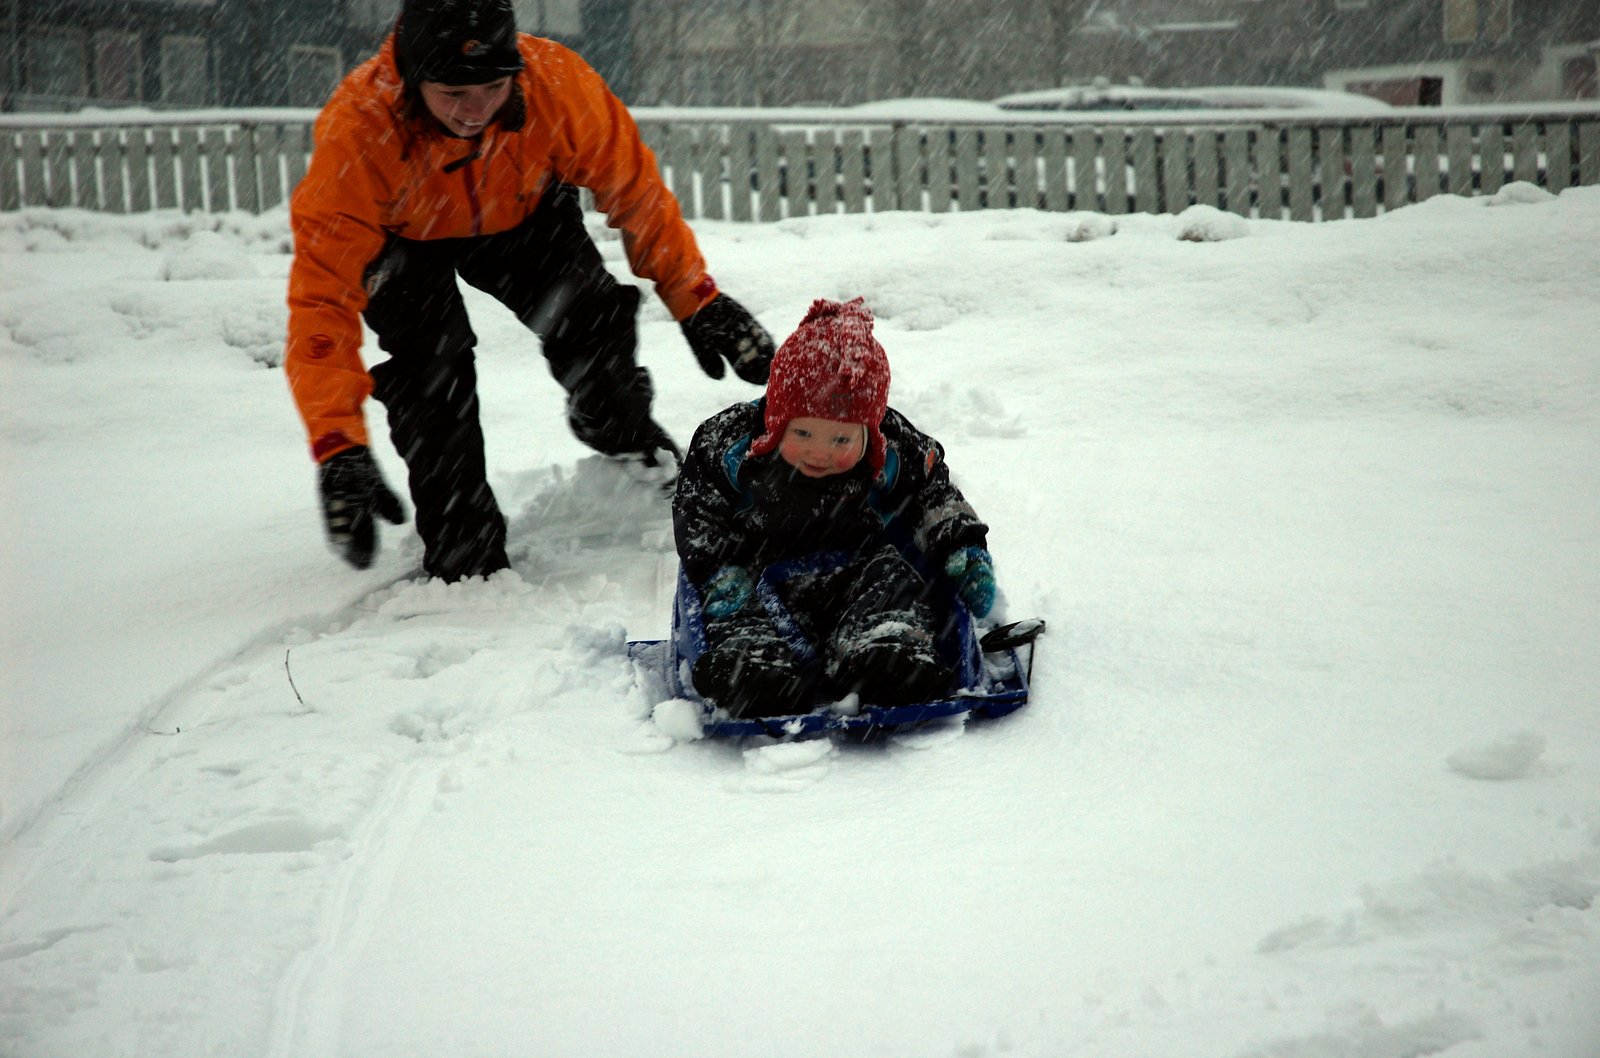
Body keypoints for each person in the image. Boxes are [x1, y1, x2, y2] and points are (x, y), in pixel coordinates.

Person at [285, 0, 775, 583]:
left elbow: (635, 190)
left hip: (522, 216)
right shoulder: (359, 128)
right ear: (413, 79)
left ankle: (617, 429)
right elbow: (321, 297)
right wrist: (337, 446)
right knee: (431, 374)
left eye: (493, 88)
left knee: (592, 318)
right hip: (404, 241)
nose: (475, 110)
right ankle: (464, 546)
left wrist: (697, 296)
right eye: (453, 93)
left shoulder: (557, 85)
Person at [670, 297, 998, 718]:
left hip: (858, 573)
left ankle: (882, 652)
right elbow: (698, 509)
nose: (819, 452)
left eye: (841, 440)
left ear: (869, 431)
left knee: (897, 577)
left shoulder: (895, 449)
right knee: (736, 609)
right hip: (758, 576)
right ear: (776, 419)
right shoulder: (731, 446)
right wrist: (719, 569)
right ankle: (754, 666)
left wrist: (962, 548)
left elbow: (933, 496)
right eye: (803, 433)